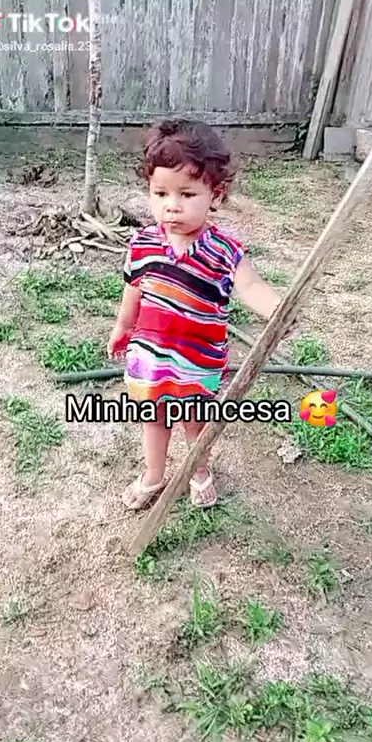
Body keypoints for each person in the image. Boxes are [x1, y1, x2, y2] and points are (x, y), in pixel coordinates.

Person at [107, 118, 282, 510]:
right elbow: (133, 288)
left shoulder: (224, 251)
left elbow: (250, 286)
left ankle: (198, 471)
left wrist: (277, 311)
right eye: (160, 193)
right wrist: (122, 326)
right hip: (150, 357)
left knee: (195, 421)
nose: (172, 205)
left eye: (186, 194)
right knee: (153, 419)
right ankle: (154, 475)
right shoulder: (142, 244)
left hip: (197, 360)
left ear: (215, 195)